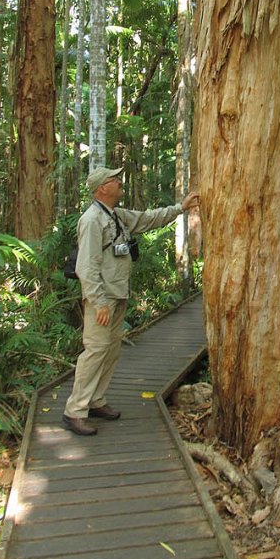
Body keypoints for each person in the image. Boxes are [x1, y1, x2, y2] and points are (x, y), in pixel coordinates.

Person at [63, 166, 199, 436]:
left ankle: (96, 401)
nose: (119, 182)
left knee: (110, 351)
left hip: (118, 293)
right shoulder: (91, 220)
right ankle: (75, 411)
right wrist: (98, 301)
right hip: (102, 299)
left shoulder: (117, 216)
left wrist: (180, 208)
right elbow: (86, 266)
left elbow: (149, 219)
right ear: (102, 188)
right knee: (95, 351)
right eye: (114, 180)